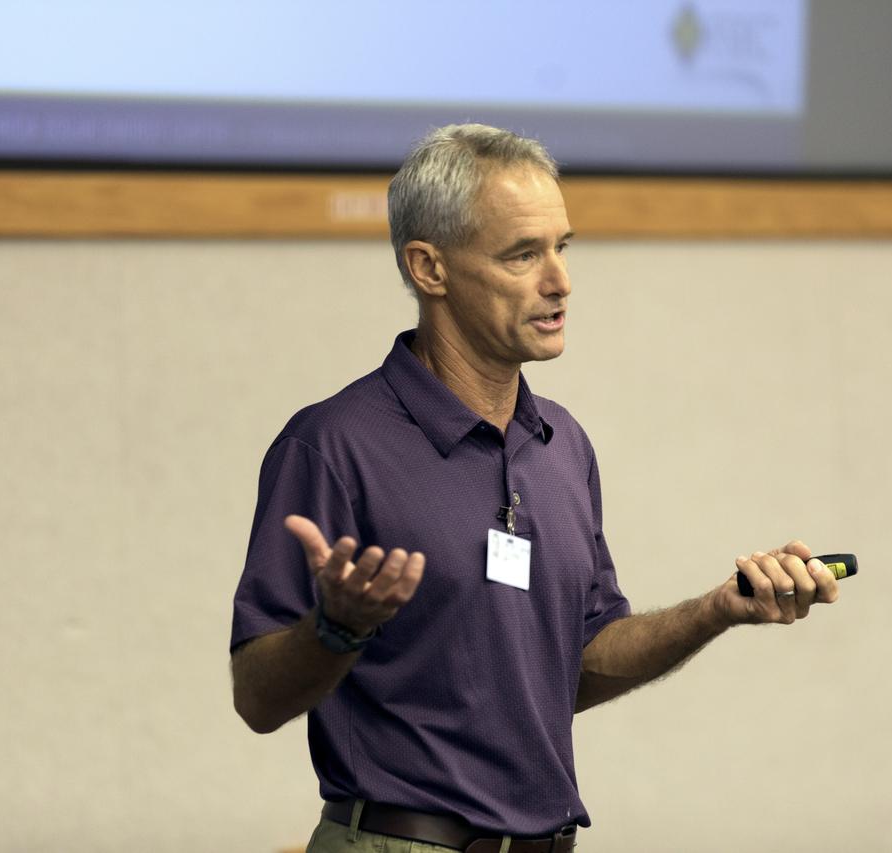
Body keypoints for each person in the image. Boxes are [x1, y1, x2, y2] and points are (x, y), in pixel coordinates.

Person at [229, 124, 841, 852]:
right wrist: (337, 627)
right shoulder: (334, 445)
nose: (560, 281)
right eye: (524, 254)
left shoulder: (563, 444)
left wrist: (715, 610)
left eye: (563, 247)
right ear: (429, 267)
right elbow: (258, 698)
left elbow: (578, 662)